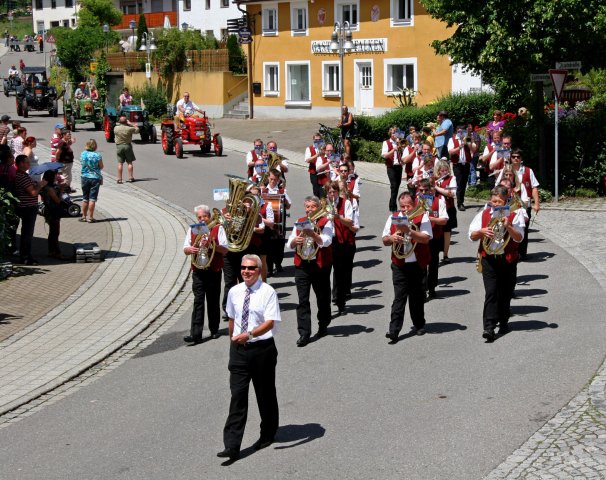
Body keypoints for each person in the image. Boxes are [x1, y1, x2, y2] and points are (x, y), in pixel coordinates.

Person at [218, 254, 281, 462]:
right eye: (244, 268)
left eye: (251, 268)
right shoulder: (234, 291)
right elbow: (232, 318)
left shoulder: (268, 292)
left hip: (261, 349)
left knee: (265, 394)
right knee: (237, 396)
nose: (246, 271)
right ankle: (232, 445)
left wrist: (251, 334)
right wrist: (233, 342)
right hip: (239, 350)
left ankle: (268, 432)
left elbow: (270, 322)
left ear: (259, 270)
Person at [469, 186, 525, 342]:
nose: (496, 205)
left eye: (499, 201)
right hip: (489, 258)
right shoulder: (484, 214)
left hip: (508, 259)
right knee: (491, 292)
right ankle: (489, 327)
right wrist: (481, 232)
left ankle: (504, 320)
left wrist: (508, 226)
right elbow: (471, 235)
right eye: (494, 202)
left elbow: (519, 237)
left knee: (505, 293)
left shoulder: (515, 213)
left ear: (506, 201)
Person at [382, 191, 432, 343]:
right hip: (399, 264)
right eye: (402, 207)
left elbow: (425, 238)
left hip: (417, 263)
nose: (404, 210)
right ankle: (394, 330)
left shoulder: (422, 216)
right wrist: (391, 238)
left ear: (414, 205)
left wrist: (409, 231)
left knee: (417, 296)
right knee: (399, 297)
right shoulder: (393, 217)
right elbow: (384, 239)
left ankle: (419, 324)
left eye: (408, 206)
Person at [287, 195, 334, 347]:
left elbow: (326, 241)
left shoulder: (326, 221)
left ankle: (323, 324)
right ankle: (304, 333)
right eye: (307, 207)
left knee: (323, 297)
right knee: (302, 301)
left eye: (313, 207)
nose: (309, 210)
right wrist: (295, 241)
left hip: (319, 265)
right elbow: (290, 243)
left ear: (319, 208)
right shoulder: (300, 222)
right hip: (302, 265)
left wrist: (313, 234)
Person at [183, 205, 229, 344]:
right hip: (198, 270)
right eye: (199, 217)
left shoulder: (218, 228)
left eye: (205, 216)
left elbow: (225, 250)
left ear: (210, 216)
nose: (202, 219)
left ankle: (214, 329)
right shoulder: (193, 229)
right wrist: (189, 249)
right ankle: (195, 334)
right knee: (198, 301)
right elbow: (185, 248)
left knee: (213, 300)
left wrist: (212, 245)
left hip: (213, 269)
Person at [327, 181, 359, 315]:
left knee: (340, 272)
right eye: (329, 192)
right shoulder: (324, 204)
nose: (332, 194)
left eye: (334, 192)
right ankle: (330, 301)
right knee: (326, 273)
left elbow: (350, 222)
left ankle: (340, 302)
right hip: (328, 241)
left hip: (342, 241)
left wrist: (337, 216)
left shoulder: (346, 203)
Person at [417, 178, 448, 300]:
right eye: (421, 190)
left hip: (435, 237)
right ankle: (422, 289)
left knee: (433, 264)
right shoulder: (415, 201)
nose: (423, 193)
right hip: (420, 237)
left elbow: (444, 220)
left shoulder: (439, 201)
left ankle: (432, 288)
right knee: (421, 264)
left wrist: (429, 219)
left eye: (426, 190)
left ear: (431, 190)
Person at [506, 148, 540, 260]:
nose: (515, 159)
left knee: (523, 228)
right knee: (510, 228)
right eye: (513, 156)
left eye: (518, 157)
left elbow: (534, 187)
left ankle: (522, 253)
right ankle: (511, 251)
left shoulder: (528, 171)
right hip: (510, 205)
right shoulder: (506, 170)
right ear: (510, 158)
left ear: (521, 159)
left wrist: (536, 204)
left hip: (524, 204)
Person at [15, 154, 47, 265]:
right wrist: (40, 185)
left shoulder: (21, 174)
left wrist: (35, 184)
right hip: (27, 208)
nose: (29, 164)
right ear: (21, 164)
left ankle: (26, 255)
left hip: (25, 206)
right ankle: (25, 257)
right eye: (27, 162)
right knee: (27, 234)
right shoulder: (22, 176)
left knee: (26, 233)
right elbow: (33, 193)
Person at [262, 169, 291, 276]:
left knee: (279, 246)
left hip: (279, 222)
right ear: (268, 178)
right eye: (271, 179)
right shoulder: (263, 191)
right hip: (268, 223)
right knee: (269, 245)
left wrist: (285, 199)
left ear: (278, 180)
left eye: (275, 179)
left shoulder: (283, 191)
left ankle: (278, 263)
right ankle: (269, 268)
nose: (273, 181)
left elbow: (288, 206)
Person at [447, 125, 478, 211]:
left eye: (462, 131)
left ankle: (462, 201)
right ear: (457, 131)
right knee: (459, 183)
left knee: (464, 184)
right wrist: (460, 146)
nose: (461, 133)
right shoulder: (452, 140)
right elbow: (450, 152)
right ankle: (459, 203)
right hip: (457, 164)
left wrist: (470, 141)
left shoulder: (466, 138)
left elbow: (474, 149)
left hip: (466, 164)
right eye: (459, 131)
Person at [39, 170, 67, 260]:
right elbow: (58, 201)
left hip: (49, 210)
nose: (56, 177)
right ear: (51, 177)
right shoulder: (50, 189)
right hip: (53, 211)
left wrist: (58, 187)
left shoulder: (45, 187)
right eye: (55, 176)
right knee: (55, 232)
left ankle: (51, 251)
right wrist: (61, 191)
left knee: (52, 232)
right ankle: (57, 252)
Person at [434, 160, 457, 264]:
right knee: (435, 231)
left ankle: (446, 254)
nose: (444, 172)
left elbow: (451, 193)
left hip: (448, 208)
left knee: (447, 232)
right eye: (442, 171)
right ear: (438, 171)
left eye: (446, 170)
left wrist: (437, 188)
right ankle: (435, 252)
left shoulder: (452, 179)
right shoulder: (434, 179)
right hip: (436, 209)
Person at [80, 139, 104, 223]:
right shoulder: (97, 155)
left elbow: (82, 164)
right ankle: (90, 217)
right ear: (95, 146)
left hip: (84, 177)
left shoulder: (83, 154)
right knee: (92, 198)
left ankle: (83, 216)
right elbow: (101, 166)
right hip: (95, 178)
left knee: (85, 197)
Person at [381, 126, 404, 212]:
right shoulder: (386, 142)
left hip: (399, 166)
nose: (395, 134)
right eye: (394, 132)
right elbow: (385, 156)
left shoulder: (400, 142)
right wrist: (393, 150)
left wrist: (400, 146)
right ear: (390, 134)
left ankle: (392, 203)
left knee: (397, 186)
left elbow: (404, 154)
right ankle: (393, 207)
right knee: (393, 185)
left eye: (396, 132)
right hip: (391, 167)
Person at [113, 115, 139, 183]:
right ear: (126, 122)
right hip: (127, 146)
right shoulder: (129, 128)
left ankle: (119, 179)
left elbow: (116, 130)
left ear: (119, 121)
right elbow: (137, 130)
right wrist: (132, 124)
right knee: (129, 162)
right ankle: (130, 177)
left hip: (119, 146)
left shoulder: (116, 128)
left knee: (120, 163)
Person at [304, 133, 324, 197]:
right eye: (316, 140)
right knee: (316, 190)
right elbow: (307, 160)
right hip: (314, 172)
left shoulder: (324, 147)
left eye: (319, 140)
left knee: (323, 190)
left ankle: (322, 203)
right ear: (313, 139)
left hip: (323, 172)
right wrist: (317, 155)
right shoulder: (309, 148)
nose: (317, 141)